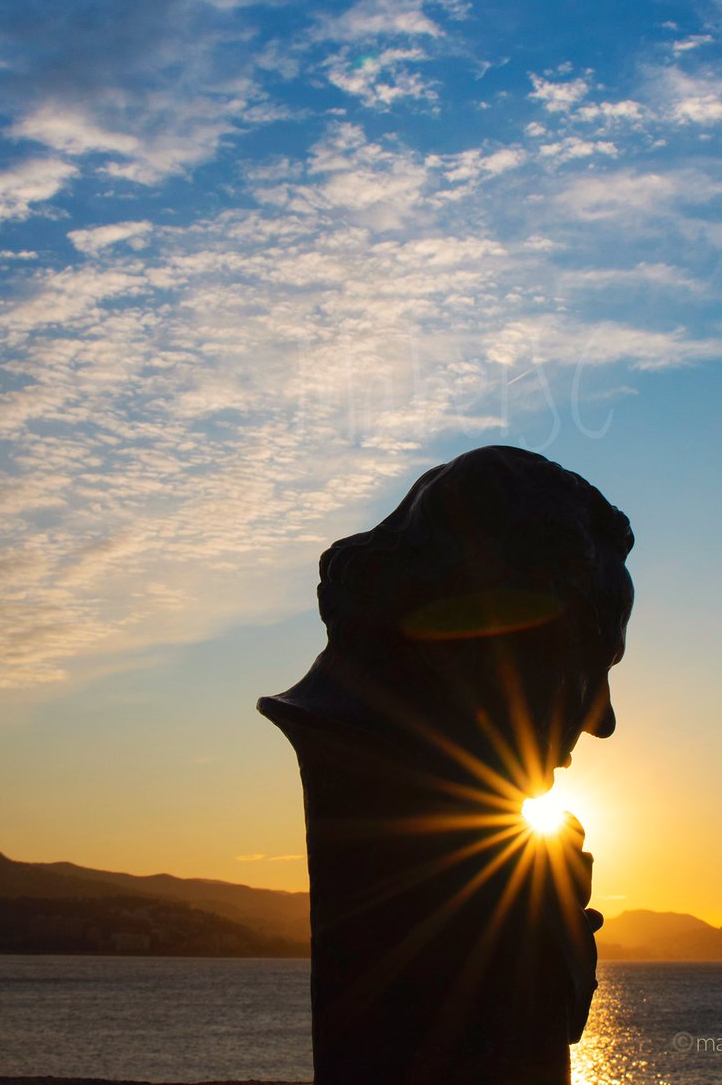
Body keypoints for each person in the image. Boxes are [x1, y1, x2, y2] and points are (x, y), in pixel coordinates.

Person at [259, 446, 634, 1085]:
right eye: (590, 665)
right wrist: (537, 945)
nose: (603, 719)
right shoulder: (388, 804)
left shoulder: (483, 844)